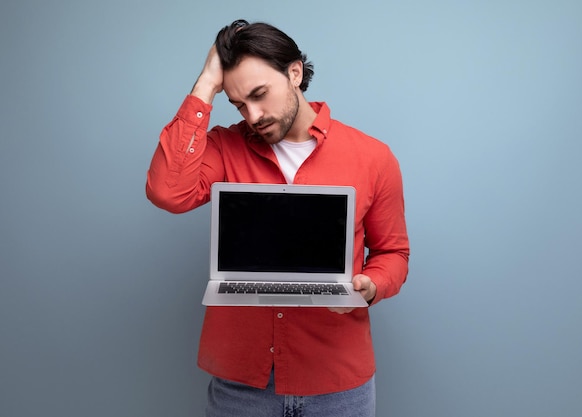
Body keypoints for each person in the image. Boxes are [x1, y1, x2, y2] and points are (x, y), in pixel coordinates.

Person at [146, 19, 410, 417]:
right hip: (241, 387)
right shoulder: (224, 146)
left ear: (294, 73)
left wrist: (370, 286)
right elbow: (168, 191)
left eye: (259, 94)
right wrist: (205, 83)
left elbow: (393, 252)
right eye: (238, 103)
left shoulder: (374, 157)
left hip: (337, 383)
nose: (252, 115)